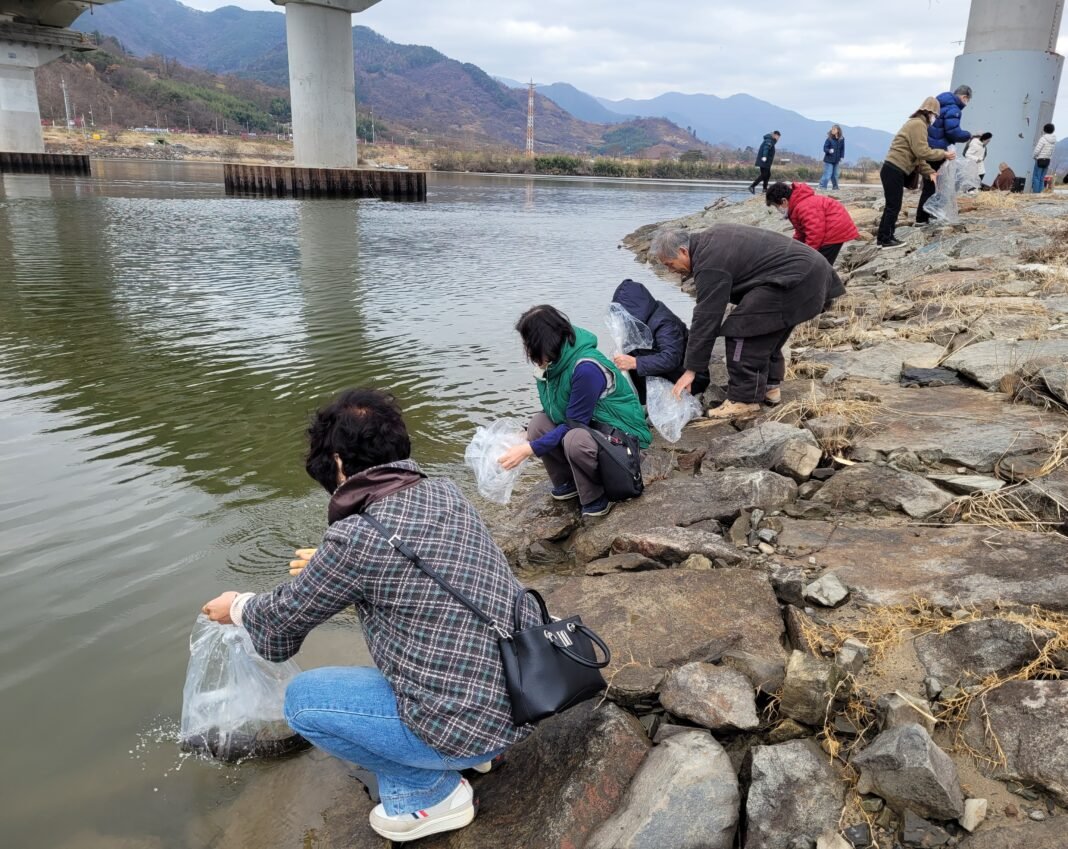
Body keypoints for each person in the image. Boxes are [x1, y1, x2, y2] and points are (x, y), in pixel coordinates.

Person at [201, 388, 538, 843]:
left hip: (464, 723)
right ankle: (478, 755)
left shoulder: (357, 539)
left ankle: (431, 793)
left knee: (303, 702)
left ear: (339, 463)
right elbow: (412, 562)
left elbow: (279, 622)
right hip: (521, 698)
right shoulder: (444, 491)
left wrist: (237, 606)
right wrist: (331, 563)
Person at [651, 225, 846, 419]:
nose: (671, 270)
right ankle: (769, 387)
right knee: (764, 330)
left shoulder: (709, 262)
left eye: (670, 264)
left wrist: (691, 369)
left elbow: (707, 316)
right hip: (810, 273)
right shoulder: (710, 240)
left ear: (683, 251)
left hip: (797, 279)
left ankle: (744, 400)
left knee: (740, 332)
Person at [498, 305, 651, 517]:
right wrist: (525, 434)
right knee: (537, 425)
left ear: (542, 341)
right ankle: (569, 483)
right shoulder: (554, 364)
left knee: (575, 439)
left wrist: (529, 449)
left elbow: (574, 424)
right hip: (592, 426)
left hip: (624, 439)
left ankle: (597, 496)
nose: (526, 349)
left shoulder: (586, 368)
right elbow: (557, 409)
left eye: (527, 343)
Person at [609, 279, 710, 404]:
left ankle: (648, 402)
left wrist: (635, 362)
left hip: (691, 378)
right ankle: (641, 401)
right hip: (673, 373)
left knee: (633, 359)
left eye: (623, 313)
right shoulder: (641, 323)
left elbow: (671, 357)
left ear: (634, 308)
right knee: (628, 352)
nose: (622, 318)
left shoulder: (664, 322)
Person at [877, 96, 955, 249]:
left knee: (892, 205)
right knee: (893, 206)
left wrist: (930, 172)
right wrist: (943, 154)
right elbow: (922, 152)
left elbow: (918, 158)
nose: (935, 118)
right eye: (935, 115)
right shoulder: (918, 125)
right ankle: (886, 240)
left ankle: (883, 238)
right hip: (894, 169)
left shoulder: (916, 123)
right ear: (930, 112)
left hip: (892, 169)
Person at [916, 85, 974, 225]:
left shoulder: (939, 104)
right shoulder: (953, 109)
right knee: (938, 185)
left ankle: (924, 216)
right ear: (964, 97)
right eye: (968, 100)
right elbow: (953, 132)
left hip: (929, 148)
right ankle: (925, 217)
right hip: (940, 151)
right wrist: (968, 135)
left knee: (930, 184)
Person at [765, 181, 860, 266]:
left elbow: (815, 233)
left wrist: (807, 253)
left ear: (784, 201)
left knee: (820, 264)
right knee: (816, 261)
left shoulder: (804, 207)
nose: (777, 209)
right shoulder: (797, 205)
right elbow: (801, 232)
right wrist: (792, 246)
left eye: (776, 206)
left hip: (834, 231)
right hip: (830, 228)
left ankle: (824, 278)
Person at [819, 125, 846, 190]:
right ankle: (822, 187)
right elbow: (824, 148)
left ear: (838, 130)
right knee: (827, 174)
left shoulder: (842, 139)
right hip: (829, 160)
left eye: (834, 129)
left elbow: (842, 149)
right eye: (832, 129)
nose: (832, 130)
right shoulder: (829, 139)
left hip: (836, 160)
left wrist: (841, 156)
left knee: (835, 175)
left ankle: (835, 187)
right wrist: (829, 150)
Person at [1032, 123, 1057, 194]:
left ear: (1045, 130)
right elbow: (1052, 151)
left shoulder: (1043, 139)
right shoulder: (1054, 140)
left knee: (1036, 177)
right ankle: (1041, 193)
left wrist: (1034, 156)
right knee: (1042, 178)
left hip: (1040, 159)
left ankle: (1036, 194)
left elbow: (1037, 150)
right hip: (1047, 160)